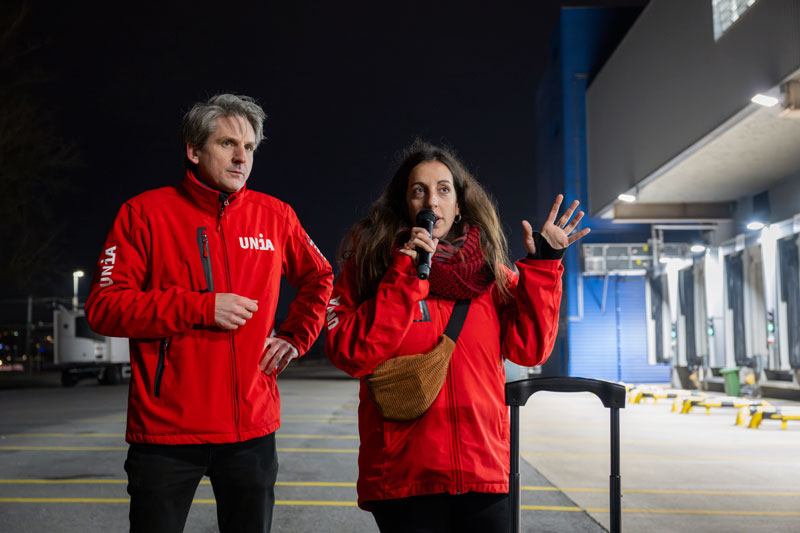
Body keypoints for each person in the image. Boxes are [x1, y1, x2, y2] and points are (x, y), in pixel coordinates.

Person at [85, 94, 334, 533]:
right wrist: (200, 306)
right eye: (227, 144)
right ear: (194, 150)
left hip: (251, 430)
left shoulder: (276, 216)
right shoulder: (143, 213)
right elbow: (104, 308)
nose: (242, 157)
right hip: (167, 432)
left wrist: (295, 337)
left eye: (249, 147)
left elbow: (321, 276)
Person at [324, 139, 589, 532]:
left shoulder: (491, 276)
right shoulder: (373, 268)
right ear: (405, 204)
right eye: (419, 191)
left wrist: (546, 265)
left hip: (483, 472)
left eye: (443, 189)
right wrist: (404, 275)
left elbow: (530, 350)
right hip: (404, 477)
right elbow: (351, 353)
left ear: (459, 204)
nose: (432, 201)